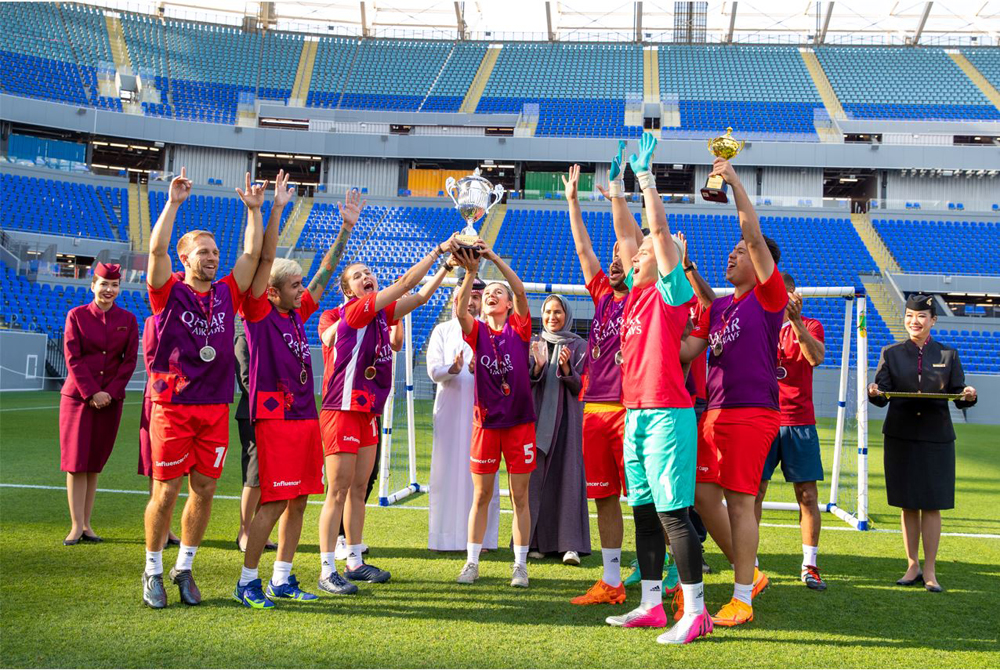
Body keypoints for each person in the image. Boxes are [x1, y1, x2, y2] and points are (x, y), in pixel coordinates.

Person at [600, 134, 712, 645]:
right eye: (637, 251)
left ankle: (695, 611)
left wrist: (646, 180)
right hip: (636, 415)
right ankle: (650, 605)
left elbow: (656, 233)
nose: (636, 252)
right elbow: (629, 238)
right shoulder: (633, 298)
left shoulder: (671, 294)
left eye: (647, 251)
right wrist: (620, 191)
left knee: (672, 515)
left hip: (668, 414)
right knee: (643, 512)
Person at [141, 169, 267, 609]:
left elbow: (251, 254)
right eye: (203, 252)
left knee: (205, 490)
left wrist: (254, 211)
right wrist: (173, 204)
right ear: (185, 257)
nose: (212, 257)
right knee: (167, 491)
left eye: (215, 251)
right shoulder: (167, 292)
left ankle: (185, 566)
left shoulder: (227, 292)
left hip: (214, 405)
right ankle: (153, 568)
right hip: (173, 404)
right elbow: (156, 249)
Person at [233, 173, 354, 608]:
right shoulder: (259, 312)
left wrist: (345, 229)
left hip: (305, 416)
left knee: (299, 500)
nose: (303, 291)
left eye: (301, 285)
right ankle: (247, 580)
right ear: (273, 291)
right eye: (294, 285)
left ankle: (281, 579)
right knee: (274, 501)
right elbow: (263, 261)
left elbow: (324, 276)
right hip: (275, 419)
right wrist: (274, 210)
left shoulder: (295, 315)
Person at [681, 157, 788, 627]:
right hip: (716, 413)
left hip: (751, 412)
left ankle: (742, 596)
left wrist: (735, 182)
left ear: (762, 261)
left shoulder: (770, 296)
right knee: (704, 496)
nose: (732, 255)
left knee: (741, 501)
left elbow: (752, 231)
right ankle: (753, 575)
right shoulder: (724, 306)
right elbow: (697, 329)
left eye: (740, 251)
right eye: (732, 251)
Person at [316, 239, 454, 593]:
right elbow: (407, 284)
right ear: (349, 290)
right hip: (342, 409)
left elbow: (419, 298)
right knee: (339, 490)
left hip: (368, 412)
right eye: (358, 275)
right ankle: (327, 568)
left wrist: (446, 270)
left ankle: (355, 561)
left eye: (369, 273)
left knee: (359, 489)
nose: (367, 276)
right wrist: (438, 251)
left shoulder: (379, 315)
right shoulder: (357, 310)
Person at [562, 163, 644, 605]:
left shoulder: (638, 296)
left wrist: (617, 195)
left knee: (646, 499)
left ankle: (664, 570)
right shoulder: (600, 294)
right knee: (604, 497)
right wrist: (573, 201)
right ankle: (611, 580)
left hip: (630, 410)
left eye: (621, 256)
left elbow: (628, 241)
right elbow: (582, 248)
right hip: (593, 410)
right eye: (610, 256)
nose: (613, 259)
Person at [867, 293, 978, 593]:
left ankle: (930, 569)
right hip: (900, 436)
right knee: (907, 504)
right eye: (909, 317)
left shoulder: (948, 355)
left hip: (936, 439)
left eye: (921, 317)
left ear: (932, 320)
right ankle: (912, 564)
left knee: (931, 505)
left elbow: (959, 395)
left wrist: (968, 394)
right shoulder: (890, 353)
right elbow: (881, 395)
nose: (914, 322)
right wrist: (874, 391)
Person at [452, 241, 536, 588]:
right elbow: (459, 312)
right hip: (485, 424)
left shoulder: (519, 328)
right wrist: (472, 272)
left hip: (519, 424)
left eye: (498, 293)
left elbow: (518, 288)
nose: (493, 294)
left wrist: (494, 259)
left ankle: (520, 565)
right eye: (489, 292)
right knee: (481, 496)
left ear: (506, 304)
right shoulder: (478, 332)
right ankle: (472, 563)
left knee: (520, 497)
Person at [755, 272, 828, 591]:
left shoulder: (810, 325)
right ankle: (750, 563)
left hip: (799, 422)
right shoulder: (758, 326)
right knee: (754, 492)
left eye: (785, 293)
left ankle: (810, 564)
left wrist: (796, 323)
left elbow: (815, 358)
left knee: (807, 495)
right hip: (763, 419)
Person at [60, 262, 138, 545]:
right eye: (104, 284)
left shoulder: (128, 320)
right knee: (76, 462)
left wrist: (110, 392)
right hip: (79, 399)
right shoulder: (76, 316)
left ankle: (88, 524)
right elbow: (73, 357)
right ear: (93, 285)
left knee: (94, 463)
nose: (109, 290)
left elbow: (128, 361)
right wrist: (92, 392)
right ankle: (75, 525)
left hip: (110, 401)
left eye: (114, 285)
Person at [426, 273, 501, 552]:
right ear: (456, 298)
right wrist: (453, 370)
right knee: (446, 474)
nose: (472, 302)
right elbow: (433, 371)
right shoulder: (442, 331)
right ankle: (445, 538)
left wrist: (478, 371)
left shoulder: (490, 330)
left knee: (480, 476)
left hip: (483, 414)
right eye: (467, 296)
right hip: (449, 411)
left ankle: (482, 540)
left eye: (477, 297)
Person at [526, 294, 591, 563]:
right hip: (538, 422)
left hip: (568, 424)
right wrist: (538, 367)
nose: (553, 317)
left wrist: (566, 369)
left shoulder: (580, 347)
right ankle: (534, 542)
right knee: (536, 482)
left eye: (558, 312)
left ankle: (569, 545)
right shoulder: (534, 345)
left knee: (568, 480)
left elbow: (584, 388)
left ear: (567, 315)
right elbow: (526, 383)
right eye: (549, 312)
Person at [334, 320, 403, 559]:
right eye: (359, 278)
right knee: (342, 483)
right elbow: (327, 341)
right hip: (344, 406)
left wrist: (397, 318)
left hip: (371, 407)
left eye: (371, 280)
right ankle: (337, 540)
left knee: (368, 477)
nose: (368, 281)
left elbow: (396, 343)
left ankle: (352, 543)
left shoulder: (380, 320)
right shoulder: (333, 317)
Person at [138, 313, 179, 548]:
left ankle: (167, 528)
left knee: (173, 471)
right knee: (159, 468)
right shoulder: (154, 321)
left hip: (186, 401)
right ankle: (158, 531)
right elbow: (153, 363)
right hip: (161, 399)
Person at [233, 322, 275, 553]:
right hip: (253, 414)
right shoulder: (243, 336)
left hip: (275, 413)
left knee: (268, 477)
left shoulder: (270, 333)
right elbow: (246, 380)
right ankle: (244, 531)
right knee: (254, 474)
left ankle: (260, 531)